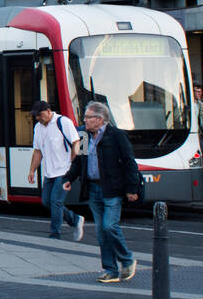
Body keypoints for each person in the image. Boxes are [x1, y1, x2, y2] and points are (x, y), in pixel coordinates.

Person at [63, 101, 140, 283]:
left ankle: (127, 259)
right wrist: (68, 179)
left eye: (88, 117)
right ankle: (110, 270)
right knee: (101, 232)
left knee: (109, 226)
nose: (85, 120)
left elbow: (130, 163)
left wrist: (131, 188)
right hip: (93, 189)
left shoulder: (116, 136)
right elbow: (78, 161)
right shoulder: (83, 135)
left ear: (99, 119)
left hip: (112, 189)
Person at [27, 100, 84, 240]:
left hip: (64, 171)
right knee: (46, 201)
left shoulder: (63, 122)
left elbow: (76, 142)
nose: (37, 118)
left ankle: (55, 233)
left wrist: (72, 164)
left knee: (56, 201)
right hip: (49, 172)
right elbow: (37, 151)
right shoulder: (38, 128)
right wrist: (32, 170)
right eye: (36, 116)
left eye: (39, 115)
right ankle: (75, 219)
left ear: (48, 111)